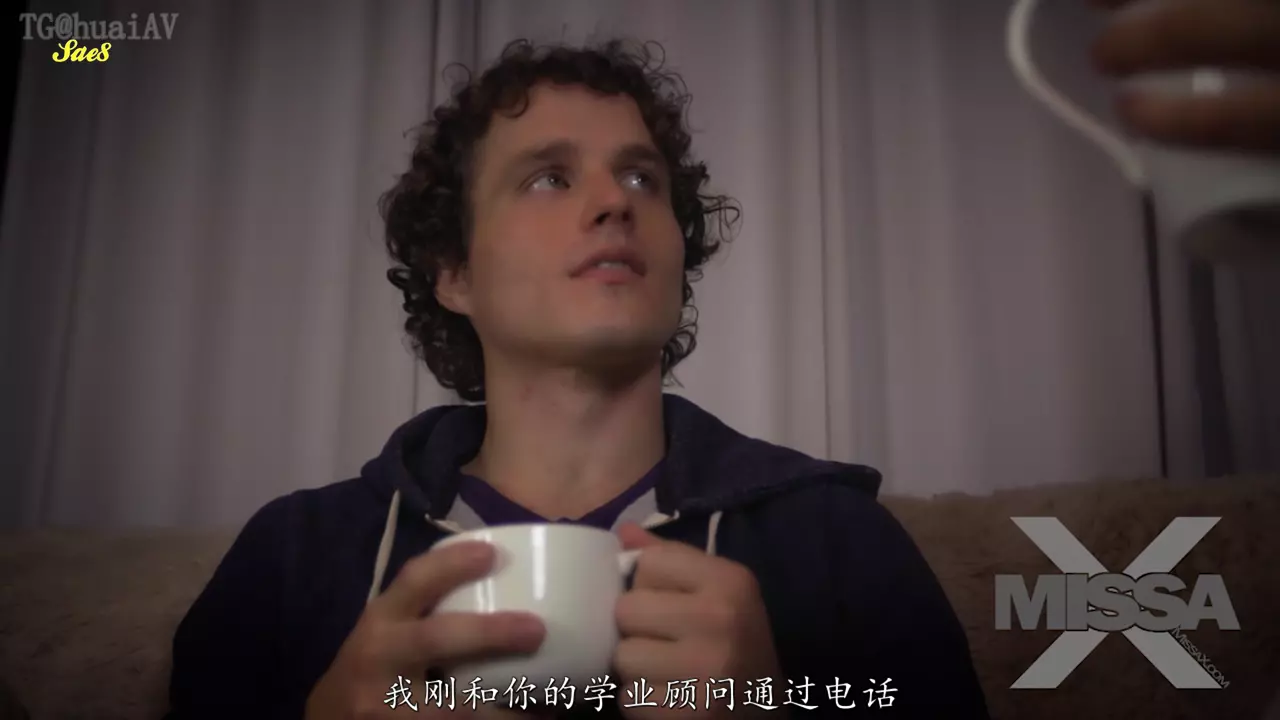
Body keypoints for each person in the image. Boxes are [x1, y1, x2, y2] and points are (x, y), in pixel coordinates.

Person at [165, 2, 1280, 718]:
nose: (614, 202)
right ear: (452, 272)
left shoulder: (837, 544)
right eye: (549, 177)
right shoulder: (296, 559)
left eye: (641, 178)